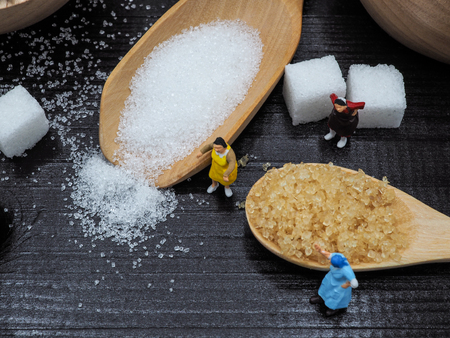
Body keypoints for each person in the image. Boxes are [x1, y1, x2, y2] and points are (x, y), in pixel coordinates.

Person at [309, 243, 359, 316]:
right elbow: (328, 255)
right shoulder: (339, 257)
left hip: (339, 285)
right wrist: (320, 250)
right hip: (330, 279)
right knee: (325, 287)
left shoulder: (346, 270)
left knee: (335, 297)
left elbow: (355, 283)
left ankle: (334, 308)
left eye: (331, 262)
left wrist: (348, 284)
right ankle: (321, 298)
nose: (329, 261)